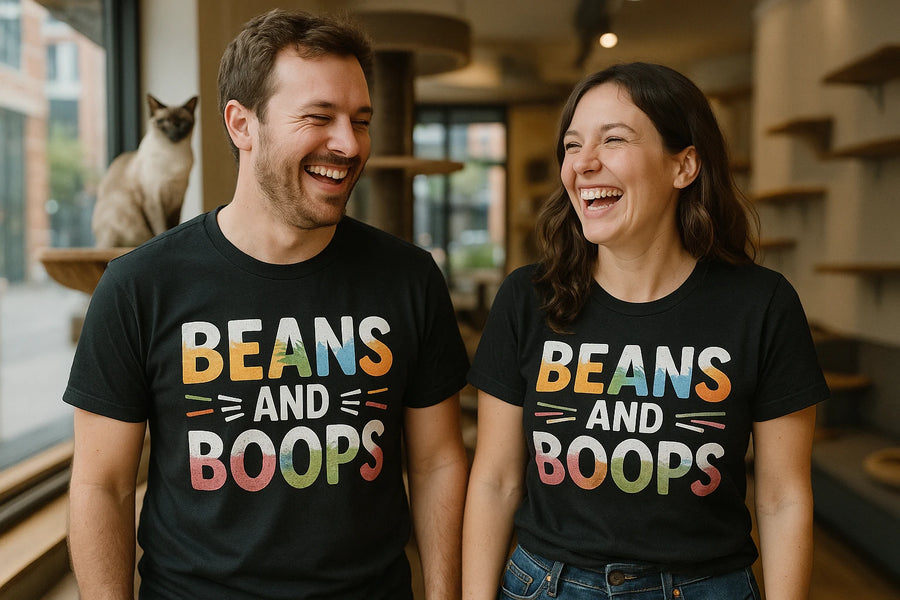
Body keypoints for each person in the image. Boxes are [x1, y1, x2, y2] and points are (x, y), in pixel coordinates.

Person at [65, 9, 470, 600]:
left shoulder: (409, 278)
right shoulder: (139, 285)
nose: (348, 144)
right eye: (318, 117)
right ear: (241, 124)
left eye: (360, 121)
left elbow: (437, 463)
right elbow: (102, 485)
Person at [462, 62, 828, 600]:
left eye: (613, 140)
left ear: (684, 166)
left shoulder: (762, 305)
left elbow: (783, 497)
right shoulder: (527, 298)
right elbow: (495, 481)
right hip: (547, 585)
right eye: (572, 145)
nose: (583, 163)